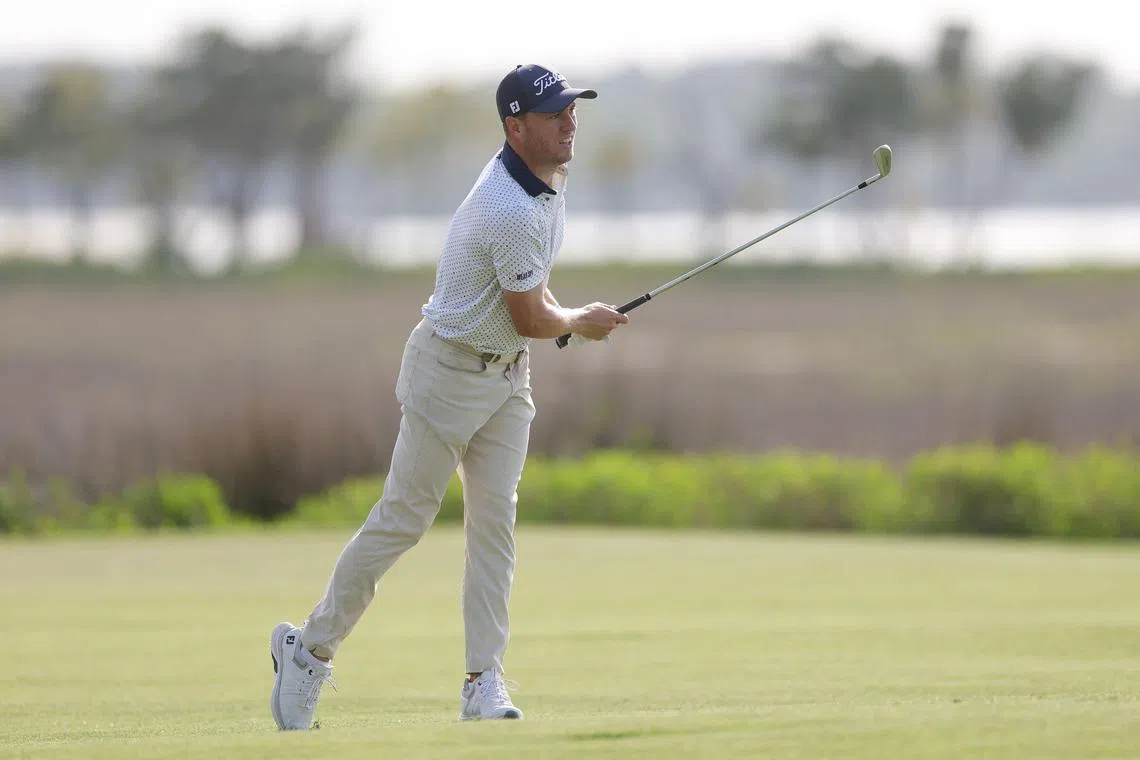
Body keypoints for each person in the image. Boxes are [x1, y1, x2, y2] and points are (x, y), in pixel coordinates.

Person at [268, 64, 629, 730]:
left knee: (495, 527)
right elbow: (532, 317)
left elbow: (531, 301)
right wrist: (581, 322)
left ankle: (481, 681)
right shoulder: (508, 207)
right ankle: (310, 650)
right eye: (556, 115)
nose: (571, 123)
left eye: (573, 111)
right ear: (515, 127)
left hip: (507, 378)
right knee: (404, 517)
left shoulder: (550, 181)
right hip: (449, 373)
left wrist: (572, 315)